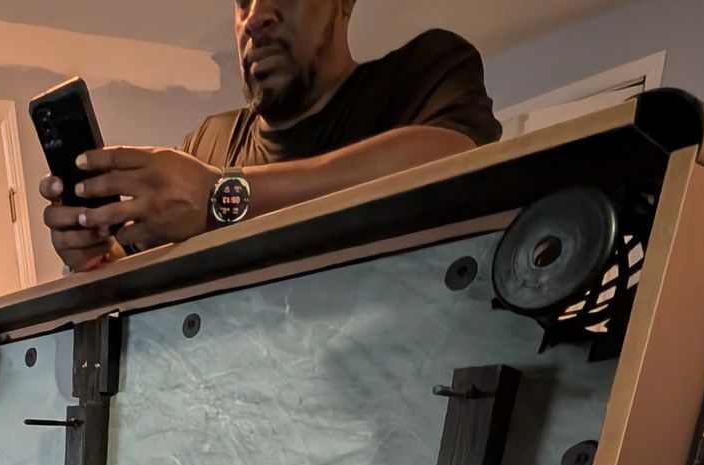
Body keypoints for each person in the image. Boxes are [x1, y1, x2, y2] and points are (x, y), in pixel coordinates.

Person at [41, 1, 501, 272]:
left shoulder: (422, 74)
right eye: (243, 0)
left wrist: (221, 198)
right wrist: (94, 254)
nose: (254, 17)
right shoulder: (206, 144)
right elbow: (131, 268)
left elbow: (454, 159)